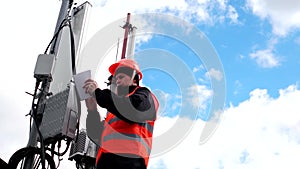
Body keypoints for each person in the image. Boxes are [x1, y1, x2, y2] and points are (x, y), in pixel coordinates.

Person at [83, 59, 159, 169]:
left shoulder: (145, 96)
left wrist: (97, 93)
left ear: (134, 79)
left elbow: (133, 109)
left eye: (121, 77)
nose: (117, 81)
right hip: (105, 163)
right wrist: (92, 110)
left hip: (130, 162)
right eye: (116, 78)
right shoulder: (114, 111)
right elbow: (95, 134)